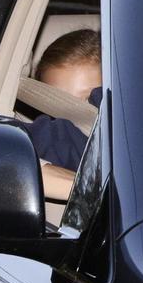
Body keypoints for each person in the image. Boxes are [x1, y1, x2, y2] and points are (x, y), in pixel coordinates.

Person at [24, 27, 102, 200]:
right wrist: (83, 188)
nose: (70, 119)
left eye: (87, 101)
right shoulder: (54, 138)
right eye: (56, 103)